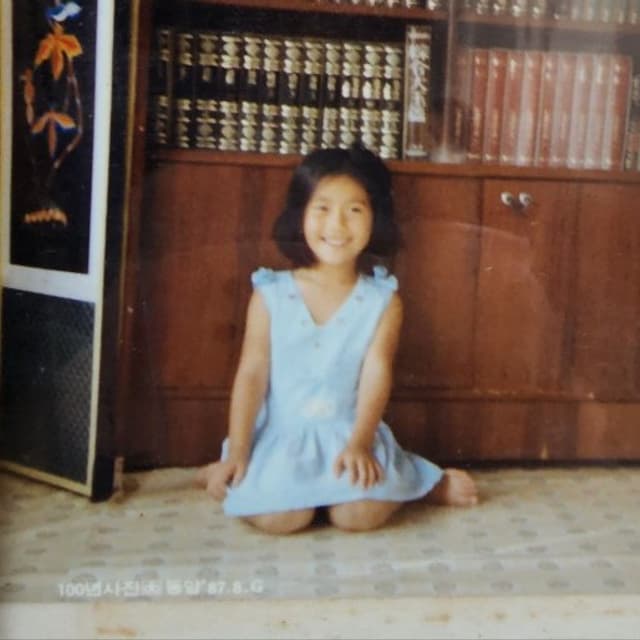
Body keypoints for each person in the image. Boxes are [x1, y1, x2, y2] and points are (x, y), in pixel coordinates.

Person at [196, 145, 478, 534]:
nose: (338, 225)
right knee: (283, 519)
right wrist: (240, 449)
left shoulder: (382, 301)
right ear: (300, 215)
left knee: (358, 516)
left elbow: (376, 375)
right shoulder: (271, 294)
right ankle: (221, 466)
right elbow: (252, 374)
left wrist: (360, 443)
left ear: (376, 218)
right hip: (282, 437)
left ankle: (421, 482)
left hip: (350, 433)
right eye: (323, 208)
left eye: (355, 210)